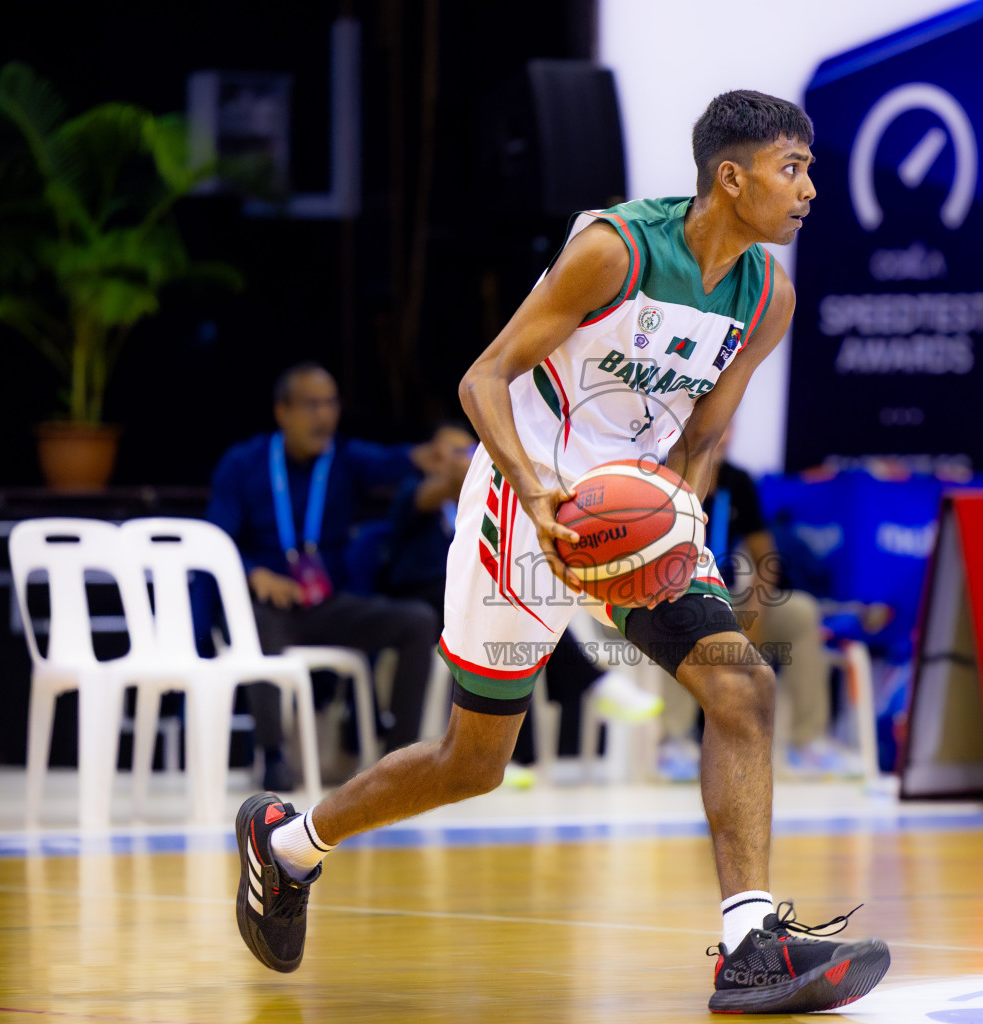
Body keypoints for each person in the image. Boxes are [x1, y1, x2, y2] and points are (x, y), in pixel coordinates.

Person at [234, 90, 890, 1013]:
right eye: (795, 169)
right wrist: (534, 489)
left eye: (812, 170)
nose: (811, 189)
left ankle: (750, 943)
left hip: (633, 521)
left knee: (744, 686)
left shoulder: (769, 293)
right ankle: (290, 842)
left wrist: (680, 520)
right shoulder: (616, 251)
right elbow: (484, 378)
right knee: (473, 764)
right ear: (731, 178)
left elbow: (706, 433)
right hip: (527, 505)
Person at [373, 420, 661, 781]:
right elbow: (432, 495)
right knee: (500, 611)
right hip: (423, 596)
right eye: (454, 451)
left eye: (470, 450)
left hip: (476, 600)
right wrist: (461, 471)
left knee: (517, 614)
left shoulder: (489, 501)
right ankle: (592, 685)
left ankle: (513, 758)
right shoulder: (415, 491)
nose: (465, 457)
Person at [206, 362, 441, 789]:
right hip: (262, 607)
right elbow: (214, 542)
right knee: (259, 626)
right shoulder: (243, 463)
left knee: (417, 620)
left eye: (331, 404)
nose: (324, 416)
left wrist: (431, 454)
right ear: (283, 412)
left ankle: (399, 762)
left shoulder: (343, 458)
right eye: (312, 405)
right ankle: (273, 757)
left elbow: (394, 461)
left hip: (323, 605)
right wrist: (254, 572)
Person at [657, 441, 855, 782]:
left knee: (802, 612)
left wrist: (757, 606)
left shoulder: (738, 481)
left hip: (725, 597)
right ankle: (674, 741)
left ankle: (808, 742)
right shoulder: (660, 475)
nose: (721, 436)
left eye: (728, 426)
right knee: (675, 614)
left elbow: (765, 557)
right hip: (670, 593)